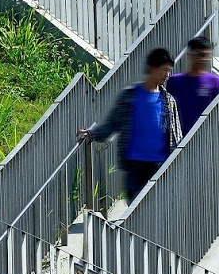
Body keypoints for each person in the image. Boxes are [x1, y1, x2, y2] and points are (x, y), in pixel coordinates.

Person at [77, 47, 183, 203]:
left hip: (160, 165)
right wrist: (92, 133)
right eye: (164, 70)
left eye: (169, 71)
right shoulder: (130, 95)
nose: (167, 75)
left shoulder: (168, 100)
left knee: (158, 208)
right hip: (135, 164)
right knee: (135, 209)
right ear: (151, 68)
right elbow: (113, 123)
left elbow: (176, 134)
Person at [166, 35, 219, 131]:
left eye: (205, 55)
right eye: (198, 55)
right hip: (179, 138)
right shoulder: (174, 81)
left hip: (207, 138)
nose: (202, 59)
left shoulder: (216, 82)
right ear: (189, 55)